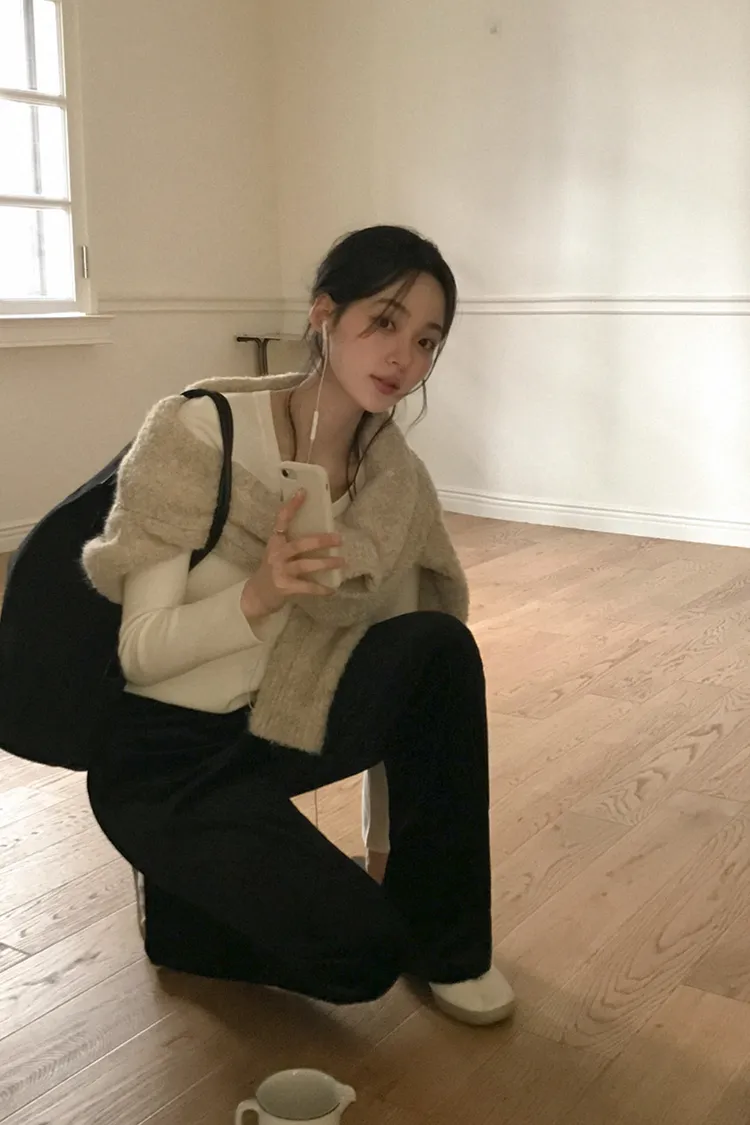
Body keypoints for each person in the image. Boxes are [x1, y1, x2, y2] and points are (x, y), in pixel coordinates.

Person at [83, 224, 515, 1026]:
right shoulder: (195, 433)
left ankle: (449, 945)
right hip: (168, 758)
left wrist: (393, 860)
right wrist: (256, 595)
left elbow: (411, 687)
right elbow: (139, 655)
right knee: (363, 955)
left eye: (426, 340)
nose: (403, 358)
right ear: (323, 314)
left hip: (282, 716)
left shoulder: (393, 482)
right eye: (383, 322)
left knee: (438, 644)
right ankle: (179, 912)